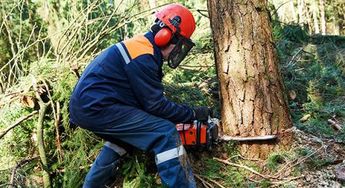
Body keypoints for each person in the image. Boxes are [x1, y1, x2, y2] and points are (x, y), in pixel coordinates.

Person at [69, 3, 211, 188]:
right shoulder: (142, 55)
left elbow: (146, 104)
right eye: (180, 44)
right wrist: (192, 114)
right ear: (166, 36)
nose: (177, 51)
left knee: (121, 141)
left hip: (90, 106)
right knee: (165, 133)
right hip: (97, 108)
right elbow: (155, 106)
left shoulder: (143, 48)